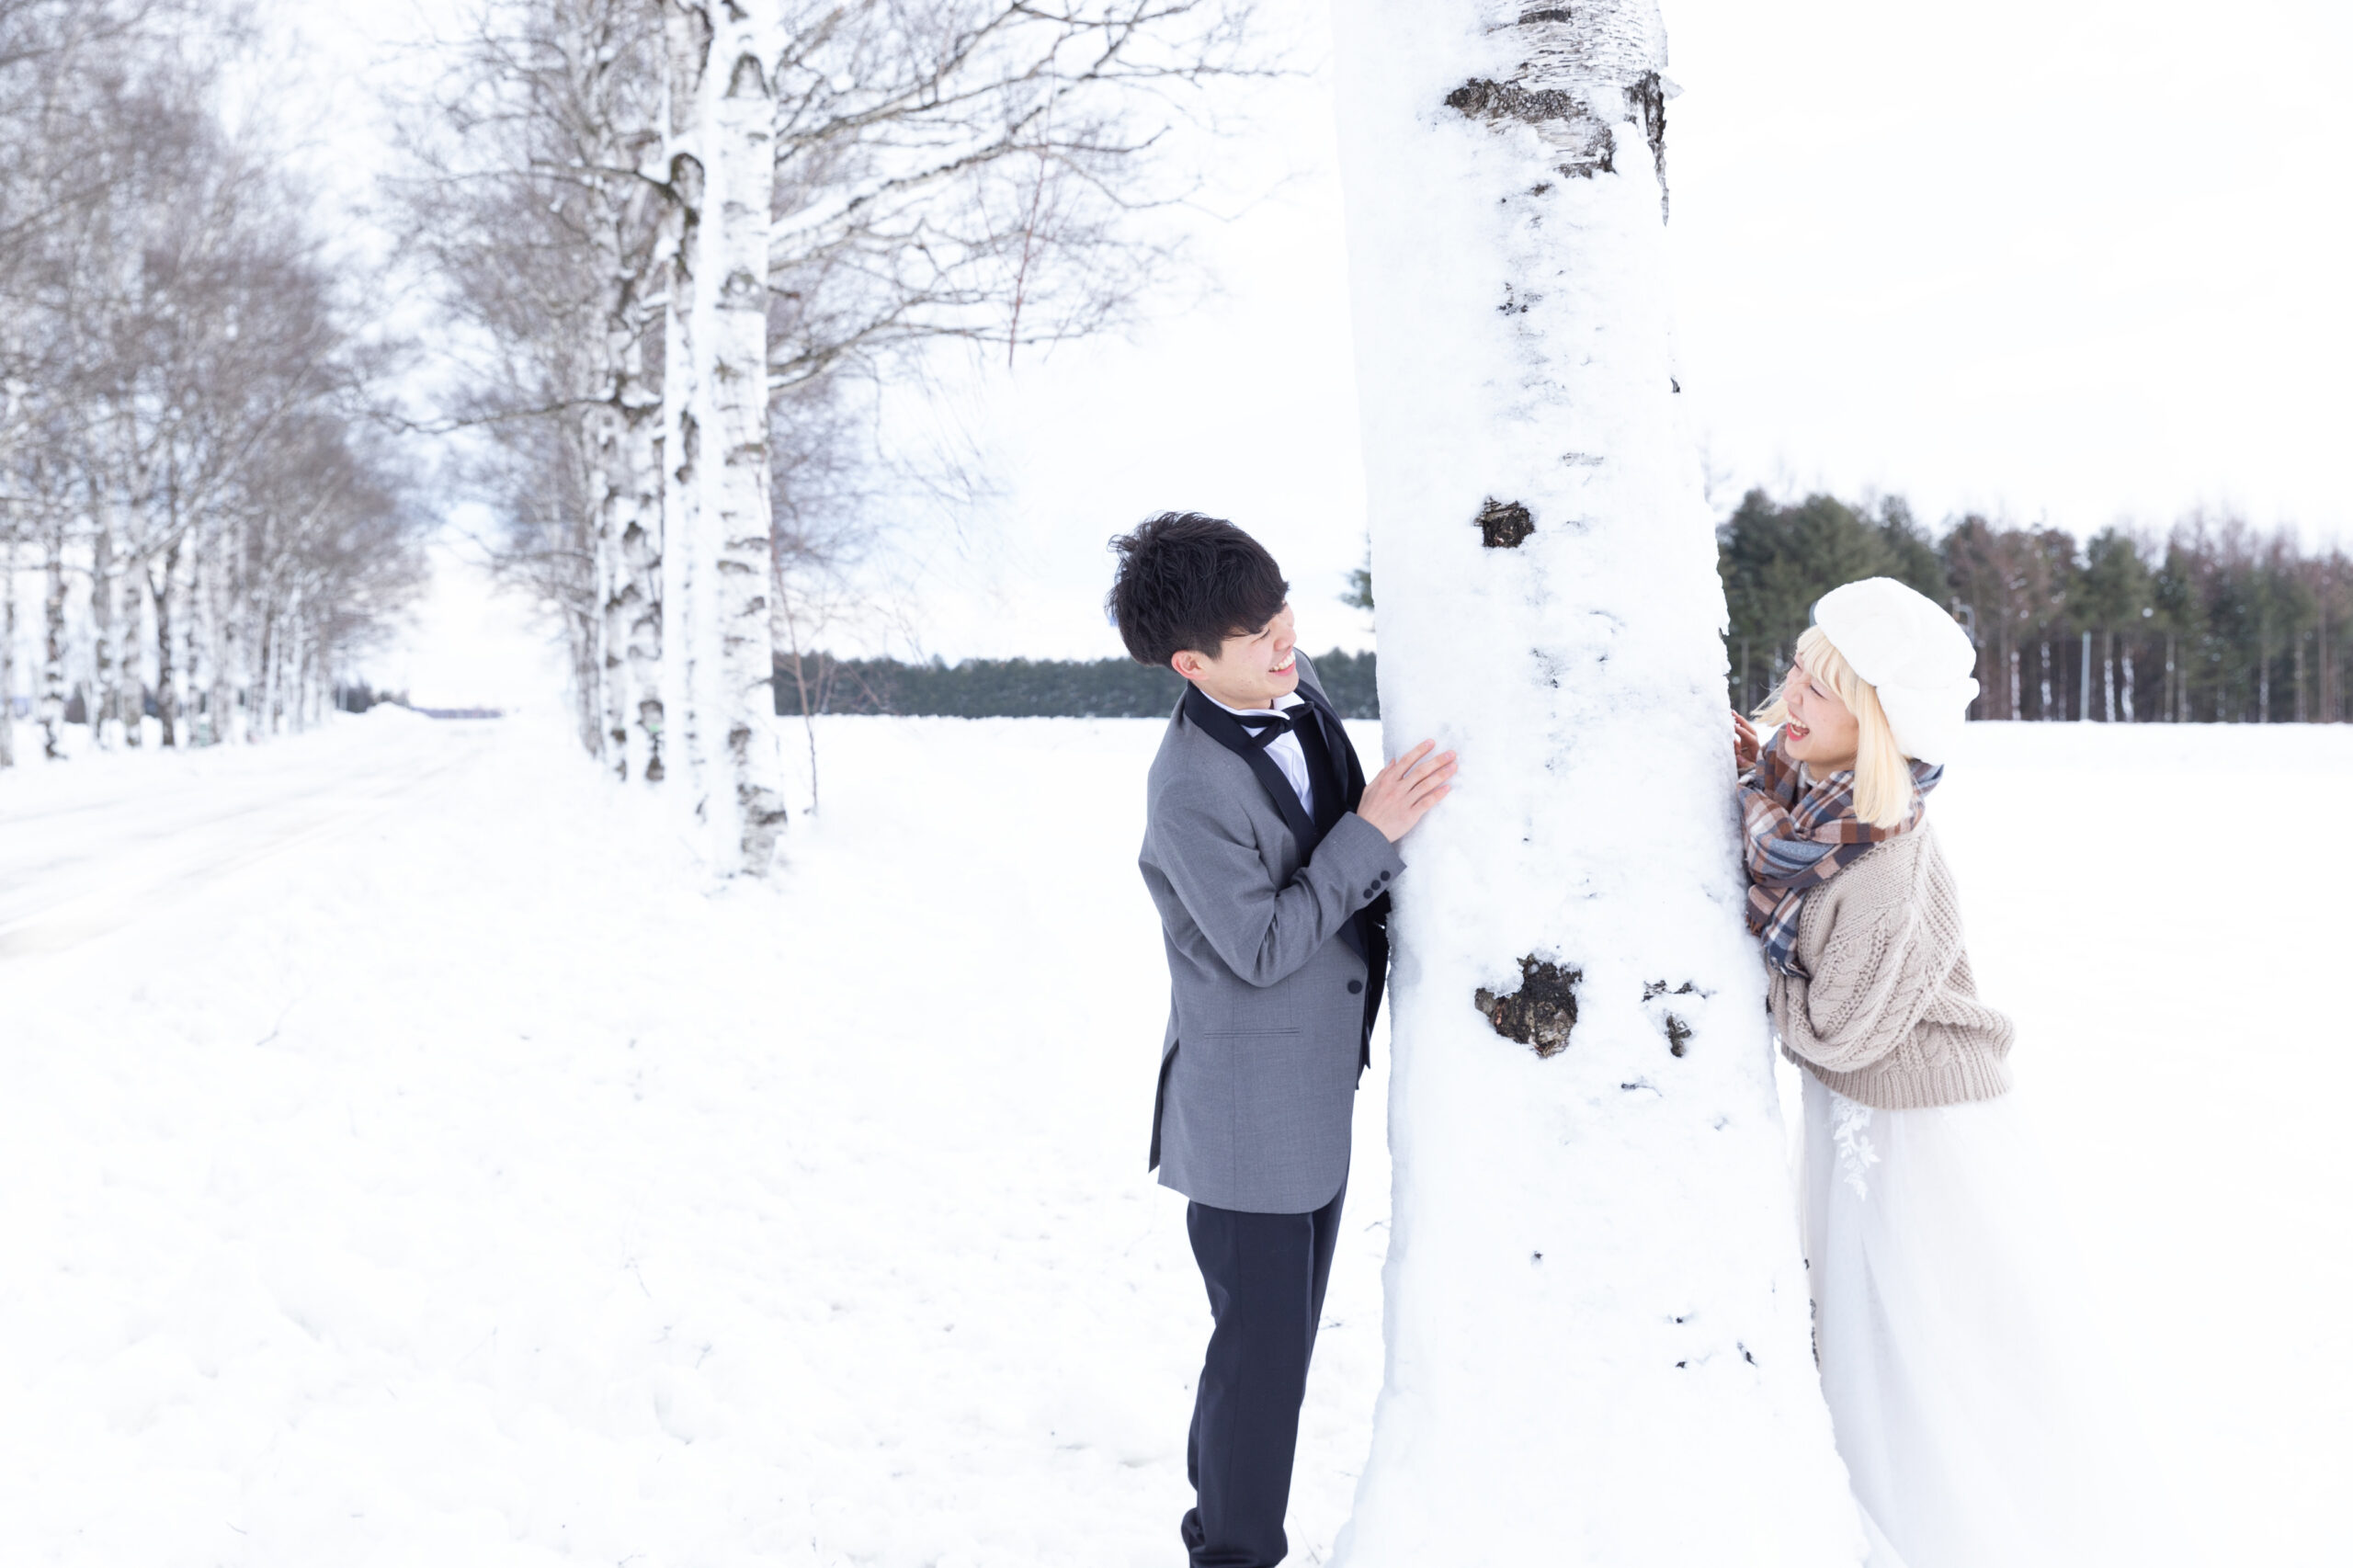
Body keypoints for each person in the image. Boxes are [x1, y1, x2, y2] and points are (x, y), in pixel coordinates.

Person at [1732, 577, 2165, 1568]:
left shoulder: (1884, 860)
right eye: (1796, 670)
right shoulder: (1796, 798)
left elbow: (1832, 1029)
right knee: (1864, 1337)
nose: (1792, 699)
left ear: (1877, 724)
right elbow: (1759, 824)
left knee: (1925, 1354)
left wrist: (1736, 973)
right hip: (1861, 1114)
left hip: (1919, 1126)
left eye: (1823, 691)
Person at [1108, 512, 1454, 1568]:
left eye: (1284, 616)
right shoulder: (1185, 792)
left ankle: (1214, 1518)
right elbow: (1261, 945)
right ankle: (1233, 1551)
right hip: (1248, 1120)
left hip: (1310, 1094)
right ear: (1190, 662)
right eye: (1258, 635)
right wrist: (1373, 835)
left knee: (1268, 1350)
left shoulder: (1297, 701)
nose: (1285, 642)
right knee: (1262, 1365)